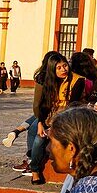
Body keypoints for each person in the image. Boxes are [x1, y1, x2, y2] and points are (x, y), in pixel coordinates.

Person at [30, 53, 87, 185]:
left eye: (65, 66)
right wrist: (40, 122)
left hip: (69, 117)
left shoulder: (77, 81)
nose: (63, 70)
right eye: (59, 68)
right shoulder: (50, 82)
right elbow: (45, 104)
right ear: (53, 70)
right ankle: (35, 170)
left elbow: (73, 105)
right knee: (39, 139)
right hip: (51, 117)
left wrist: (54, 127)